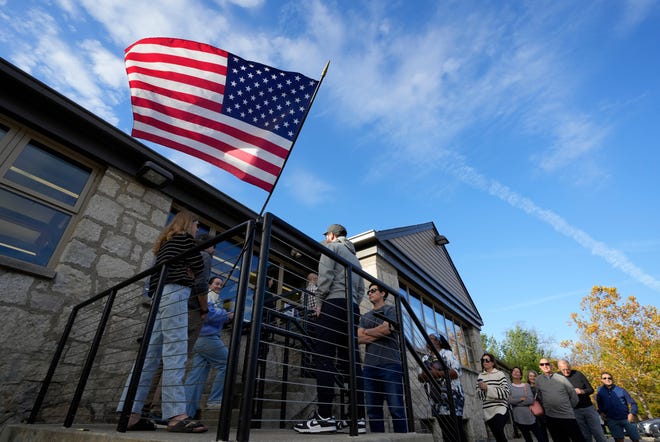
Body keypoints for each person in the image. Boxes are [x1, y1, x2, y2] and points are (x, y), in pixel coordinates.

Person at [117, 211, 208, 433]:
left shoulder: (165, 243)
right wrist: (191, 272)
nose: (198, 230)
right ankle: (176, 415)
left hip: (159, 297)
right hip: (176, 293)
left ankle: (131, 413)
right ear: (190, 224)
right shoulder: (187, 239)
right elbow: (199, 267)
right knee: (175, 351)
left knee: (149, 355)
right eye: (197, 225)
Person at [293, 224, 366, 434]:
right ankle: (358, 418)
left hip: (333, 304)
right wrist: (352, 302)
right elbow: (361, 289)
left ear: (332, 235)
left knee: (324, 356)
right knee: (351, 361)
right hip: (351, 308)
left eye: (326, 236)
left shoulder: (331, 248)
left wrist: (318, 301)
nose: (325, 239)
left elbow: (325, 277)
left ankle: (324, 417)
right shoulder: (356, 259)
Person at [357, 283, 407, 433]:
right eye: (368, 291)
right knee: (372, 410)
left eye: (373, 291)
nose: (369, 293)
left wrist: (368, 332)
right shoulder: (365, 316)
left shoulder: (391, 310)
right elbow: (359, 338)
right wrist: (380, 332)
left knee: (396, 408)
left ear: (383, 293)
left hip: (390, 365)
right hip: (370, 368)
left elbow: (387, 328)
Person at [185, 276, 234, 417]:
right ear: (209, 284)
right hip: (208, 337)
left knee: (196, 375)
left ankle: (187, 411)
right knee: (228, 363)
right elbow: (208, 314)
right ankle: (216, 400)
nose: (219, 286)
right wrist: (227, 315)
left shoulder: (214, 298)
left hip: (199, 338)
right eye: (216, 283)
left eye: (221, 284)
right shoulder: (209, 296)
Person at [418, 334, 467, 442]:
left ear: (438, 342)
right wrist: (429, 375)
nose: (428, 340)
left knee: (456, 429)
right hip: (435, 399)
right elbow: (420, 377)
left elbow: (456, 372)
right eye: (427, 338)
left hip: (452, 397)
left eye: (431, 338)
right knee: (445, 431)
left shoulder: (447, 354)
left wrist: (435, 374)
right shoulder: (425, 358)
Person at [557, 359, 607, 442]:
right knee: (584, 435)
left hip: (588, 407)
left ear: (570, 366)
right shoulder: (557, 377)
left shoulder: (578, 374)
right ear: (559, 368)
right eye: (563, 370)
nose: (566, 371)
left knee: (598, 433)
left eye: (567, 369)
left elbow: (591, 389)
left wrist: (582, 391)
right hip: (573, 410)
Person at [535, 358, 584, 442]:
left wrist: (568, 407)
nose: (545, 366)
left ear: (551, 365)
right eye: (542, 364)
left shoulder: (561, 378)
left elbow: (573, 395)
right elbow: (540, 396)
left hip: (567, 416)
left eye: (547, 364)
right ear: (540, 367)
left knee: (578, 439)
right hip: (551, 418)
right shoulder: (538, 380)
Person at [596, 372, 641, 442]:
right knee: (619, 440)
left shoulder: (621, 390)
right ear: (601, 380)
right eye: (604, 378)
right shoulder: (600, 391)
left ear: (612, 379)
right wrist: (601, 413)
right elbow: (599, 404)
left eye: (609, 378)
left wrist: (632, 413)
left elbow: (633, 403)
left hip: (626, 418)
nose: (607, 379)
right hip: (611, 419)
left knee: (635, 439)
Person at [477, 353, 510, 442]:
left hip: (500, 408)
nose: (485, 362)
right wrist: (483, 390)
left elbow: (506, 392)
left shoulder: (499, 374)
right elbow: (480, 396)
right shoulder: (480, 376)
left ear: (492, 362)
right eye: (483, 360)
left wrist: (487, 388)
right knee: (498, 436)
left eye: (487, 360)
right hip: (488, 411)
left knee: (498, 429)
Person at [509, 366, 547, 442]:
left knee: (541, 438)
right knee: (528, 439)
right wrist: (521, 399)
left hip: (531, 416)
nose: (516, 372)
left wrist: (516, 402)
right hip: (518, 417)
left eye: (518, 371)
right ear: (511, 373)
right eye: (514, 371)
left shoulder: (526, 385)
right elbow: (509, 401)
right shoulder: (508, 386)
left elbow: (530, 400)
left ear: (521, 375)